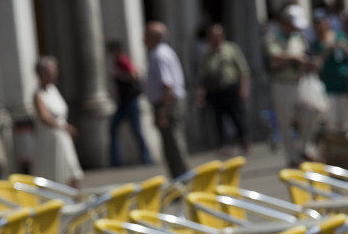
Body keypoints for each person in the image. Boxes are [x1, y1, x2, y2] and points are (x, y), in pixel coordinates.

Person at [264, 4, 319, 165]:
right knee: (285, 121)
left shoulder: (299, 37)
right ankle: (292, 157)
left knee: (313, 111)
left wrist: (308, 63)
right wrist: (294, 58)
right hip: (282, 84)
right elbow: (274, 57)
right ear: (285, 22)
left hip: (301, 81)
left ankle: (304, 147)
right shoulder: (273, 36)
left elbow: (306, 54)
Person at [195, 23, 251, 155]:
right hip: (215, 89)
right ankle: (224, 145)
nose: (214, 38)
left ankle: (244, 140)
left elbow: (243, 70)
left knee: (236, 115)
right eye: (212, 36)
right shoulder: (206, 52)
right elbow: (203, 74)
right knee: (218, 119)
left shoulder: (231, 48)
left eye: (217, 35)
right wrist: (201, 92)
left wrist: (244, 88)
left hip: (230, 87)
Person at [144, 21, 189, 178]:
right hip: (169, 102)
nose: (142, 38)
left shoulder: (159, 55)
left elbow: (168, 85)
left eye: (146, 35)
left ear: (154, 37)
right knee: (172, 145)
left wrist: (162, 111)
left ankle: (183, 181)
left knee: (174, 146)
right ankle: (181, 179)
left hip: (168, 104)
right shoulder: (163, 52)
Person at [32, 56, 83, 188]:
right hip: (51, 138)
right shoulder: (38, 94)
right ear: (41, 74)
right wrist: (62, 127)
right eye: (50, 71)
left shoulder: (53, 89)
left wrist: (64, 127)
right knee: (57, 173)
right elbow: (44, 116)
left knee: (72, 170)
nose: (53, 74)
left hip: (62, 136)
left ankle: (76, 200)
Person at [106, 41, 152, 167]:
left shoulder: (122, 60)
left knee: (136, 131)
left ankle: (147, 158)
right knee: (115, 129)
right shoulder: (118, 61)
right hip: (124, 102)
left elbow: (134, 75)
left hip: (130, 102)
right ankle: (115, 161)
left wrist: (118, 75)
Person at [311, 8, 348, 132]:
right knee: (332, 121)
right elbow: (316, 64)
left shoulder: (339, 35)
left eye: (322, 21)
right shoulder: (315, 43)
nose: (320, 25)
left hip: (343, 83)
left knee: (346, 121)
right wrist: (327, 50)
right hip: (327, 86)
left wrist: (343, 46)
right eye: (317, 23)